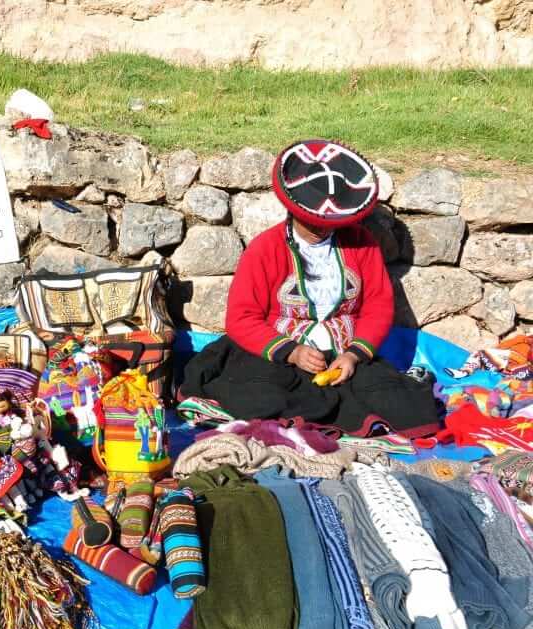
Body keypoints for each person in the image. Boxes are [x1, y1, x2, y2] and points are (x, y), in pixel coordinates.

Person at [179, 139, 439, 437]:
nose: (323, 227)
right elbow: (241, 318)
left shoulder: (361, 244)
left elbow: (377, 306)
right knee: (259, 395)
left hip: (343, 354)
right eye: (314, 221)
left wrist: (353, 355)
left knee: (401, 404)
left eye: (330, 222)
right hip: (279, 354)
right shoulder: (265, 249)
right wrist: (291, 353)